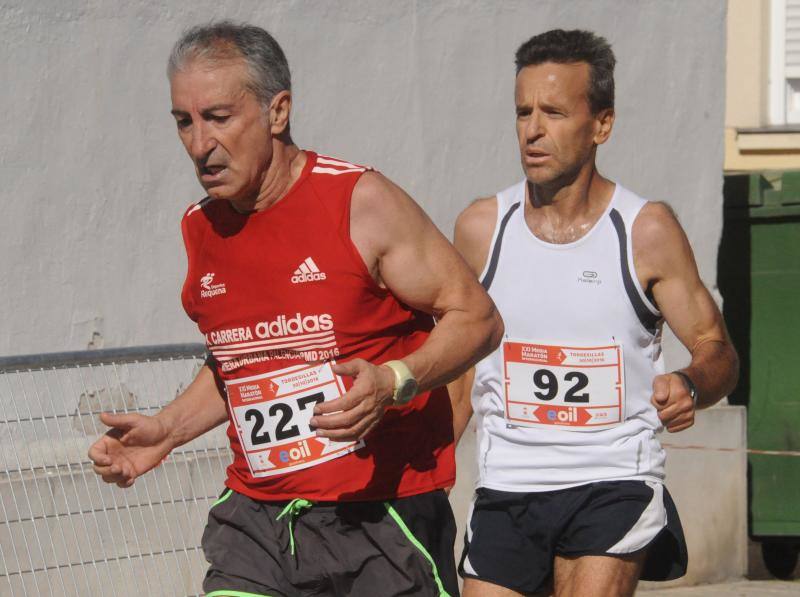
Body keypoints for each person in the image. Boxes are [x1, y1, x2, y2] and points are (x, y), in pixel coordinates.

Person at [88, 21, 502, 597]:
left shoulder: (359, 201)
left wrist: (394, 380)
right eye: (184, 121)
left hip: (379, 515)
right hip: (257, 521)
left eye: (218, 117)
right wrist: (167, 430)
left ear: (277, 111)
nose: (199, 143)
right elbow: (239, 359)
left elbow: (478, 319)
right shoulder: (201, 227)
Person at [450, 29, 739, 597]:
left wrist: (691, 384)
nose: (533, 130)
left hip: (613, 480)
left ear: (602, 124)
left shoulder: (645, 231)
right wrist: (425, 475)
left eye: (554, 113)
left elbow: (718, 350)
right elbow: (457, 370)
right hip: (507, 484)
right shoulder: (482, 228)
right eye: (523, 112)